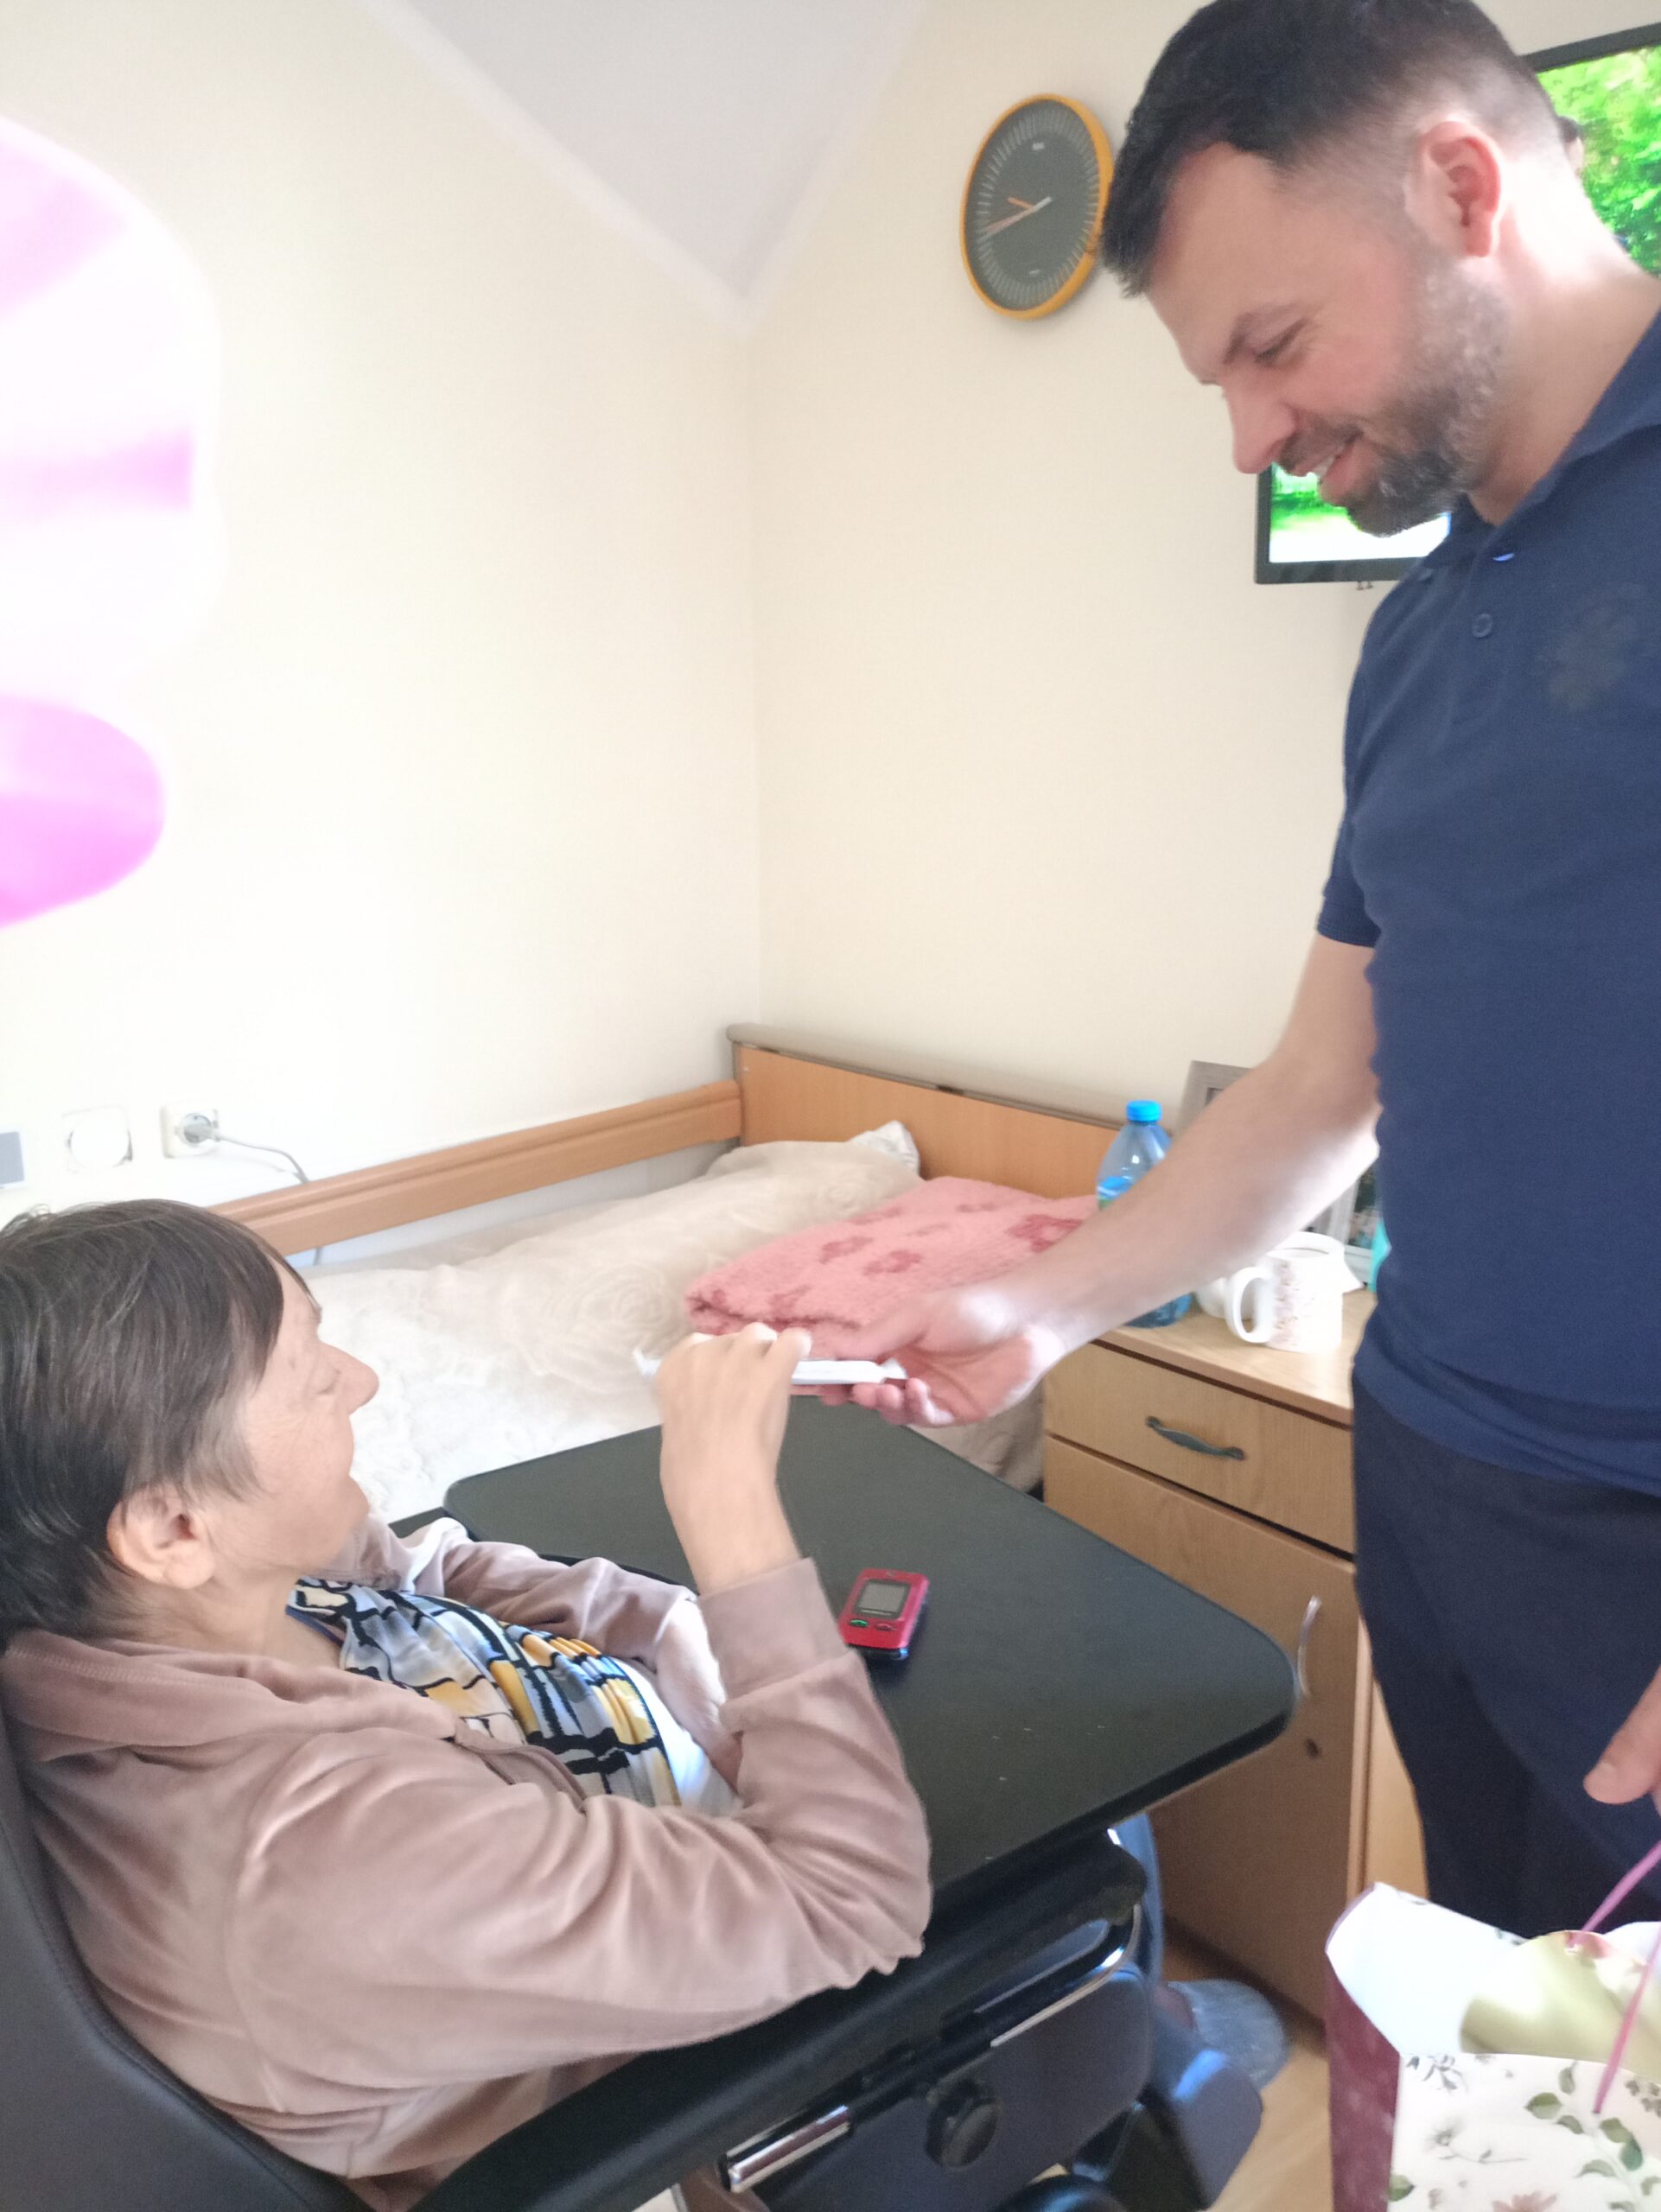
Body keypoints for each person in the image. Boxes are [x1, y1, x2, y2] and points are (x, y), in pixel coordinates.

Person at [840, 0, 1661, 1940]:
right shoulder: (1420, 635)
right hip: (1439, 1468)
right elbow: (1316, 1087)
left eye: (1273, 346)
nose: (1249, 437)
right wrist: (1044, 1305)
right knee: (1502, 2034)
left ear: (1458, 186)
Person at [0, 1201, 930, 2211]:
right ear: (174, 1529)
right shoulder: (327, 1860)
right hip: (709, 2073)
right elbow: (852, 1899)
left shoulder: (192, 1612)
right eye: (309, 1376)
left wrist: (684, 1637)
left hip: (692, 1804)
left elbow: (420, 1577)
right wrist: (732, 1515)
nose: (360, 1380)